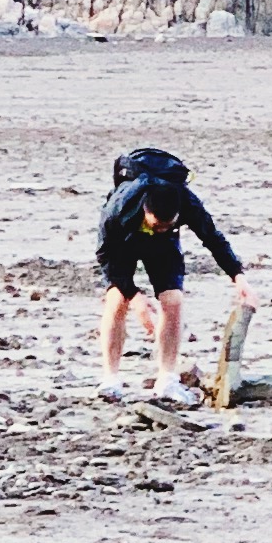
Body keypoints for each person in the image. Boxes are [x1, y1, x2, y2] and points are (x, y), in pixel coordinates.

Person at [94, 144, 249, 409]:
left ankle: (166, 378)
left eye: (170, 224)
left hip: (163, 248)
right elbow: (105, 255)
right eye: (157, 224)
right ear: (145, 210)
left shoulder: (187, 202)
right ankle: (111, 380)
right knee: (116, 300)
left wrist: (238, 276)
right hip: (123, 243)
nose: (162, 227)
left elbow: (212, 238)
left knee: (173, 300)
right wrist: (134, 296)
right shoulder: (119, 207)